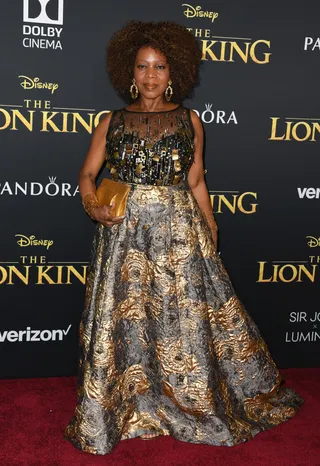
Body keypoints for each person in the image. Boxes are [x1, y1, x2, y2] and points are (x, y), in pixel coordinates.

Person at [64, 20, 304, 455]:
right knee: (127, 321)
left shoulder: (190, 120)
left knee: (184, 319)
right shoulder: (111, 121)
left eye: (159, 67)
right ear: (129, 72)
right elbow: (86, 173)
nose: (150, 76)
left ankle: (190, 404)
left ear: (173, 72)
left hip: (179, 230)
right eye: (142, 67)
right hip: (125, 234)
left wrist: (210, 227)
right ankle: (127, 406)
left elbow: (195, 182)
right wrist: (92, 205)